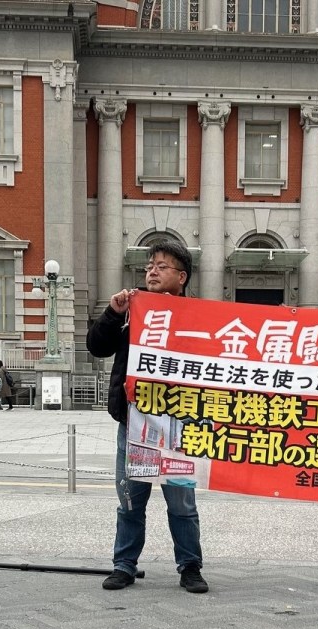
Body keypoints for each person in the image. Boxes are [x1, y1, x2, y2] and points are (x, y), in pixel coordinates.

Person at [86, 239, 207, 594]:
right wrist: (112, 313)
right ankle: (124, 565)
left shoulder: (199, 316)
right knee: (130, 500)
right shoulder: (130, 309)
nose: (152, 271)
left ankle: (190, 566)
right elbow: (97, 346)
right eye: (149, 266)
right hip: (135, 423)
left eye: (161, 266)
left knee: (182, 503)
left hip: (180, 426)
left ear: (181, 277)